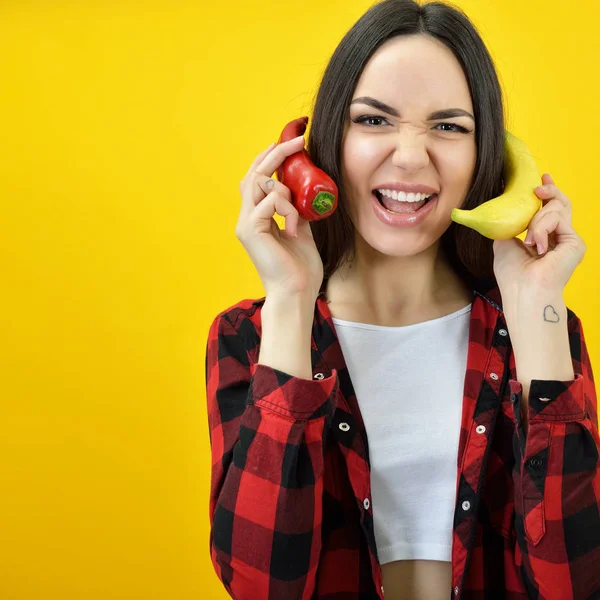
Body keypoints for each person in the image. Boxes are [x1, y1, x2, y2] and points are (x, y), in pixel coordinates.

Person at [205, 1, 599, 598]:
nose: (411, 157)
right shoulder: (249, 337)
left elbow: (577, 582)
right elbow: (261, 585)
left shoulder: (538, 330)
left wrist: (539, 312)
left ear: (486, 157)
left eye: (449, 127)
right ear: (321, 146)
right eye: (373, 120)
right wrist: (289, 298)